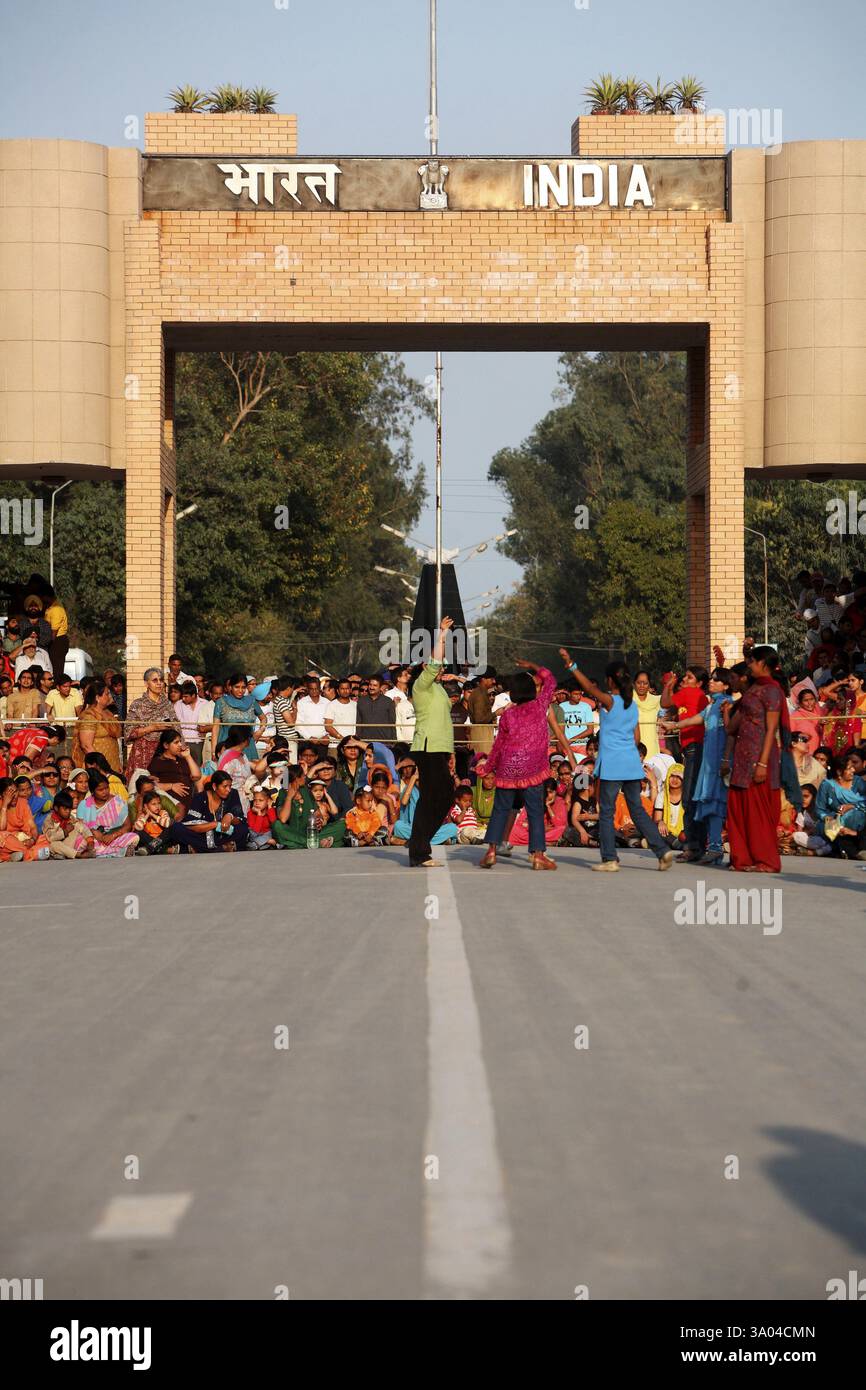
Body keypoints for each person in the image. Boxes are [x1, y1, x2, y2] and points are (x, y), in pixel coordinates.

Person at [561, 648, 676, 872]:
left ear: (611, 680)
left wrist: (572, 666)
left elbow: (589, 688)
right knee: (638, 811)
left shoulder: (611, 701)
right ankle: (662, 852)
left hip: (613, 765)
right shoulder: (631, 705)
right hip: (631, 764)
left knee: (606, 811)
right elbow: (636, 738)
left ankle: (610, 859)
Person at [477, 656, 558, 871]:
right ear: (532, 690)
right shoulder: (541, 706)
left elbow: (498, 746)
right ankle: (538, 855)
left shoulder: (508, 715)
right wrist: (533, 665)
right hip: (533, 768)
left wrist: (487, 767)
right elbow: (551, 681)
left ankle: (491, 850)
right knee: (534, 811)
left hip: (508, 768)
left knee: (501, 809)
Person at [662, 667, 732, 866]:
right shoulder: (710, 706)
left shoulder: (727, 704)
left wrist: (726, 760)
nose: (712, 682)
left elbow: (731, 732)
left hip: (716, 759)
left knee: (703, 801)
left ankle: (703, 847)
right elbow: (696, 719)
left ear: (726, 685)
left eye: (716, 680)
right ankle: (710, 847)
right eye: (711, 679)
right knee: (705, 801)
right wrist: (673, 726)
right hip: (707, 760)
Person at [723, 645, 784, 873]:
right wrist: (727, 714)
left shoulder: (772, 691)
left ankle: (766, 861)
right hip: (742, 757)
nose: (749, 665)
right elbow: (733, 727)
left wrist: (763, 763)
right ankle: (743, 858)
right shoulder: (752, 690)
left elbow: (771, 730)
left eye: (753, 662)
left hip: (759, 758)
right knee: (738, 809)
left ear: (763, 664)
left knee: (756, 812)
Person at [407, 618, 457, 868]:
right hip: (426, 748)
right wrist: (441, 636)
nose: (440, 669)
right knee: (429, 798)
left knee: (447, 796)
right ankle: (419, 851)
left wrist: (451, 753)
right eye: (435, 667)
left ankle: (420, 842)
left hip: (440, 749)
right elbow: (435, 662)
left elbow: (441, 663)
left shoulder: (439, 689)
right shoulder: (420, 687)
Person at [661, 666, 710, 862]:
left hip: (694, 749)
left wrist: (669, 685)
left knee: (689, 797)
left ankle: (692, 845)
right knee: (693, 797)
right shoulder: (699, 696)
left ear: (698, 683)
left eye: (690, 677)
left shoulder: (690, 693)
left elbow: (665, 702)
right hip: (693, 749)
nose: (685, 679)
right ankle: (698, 843)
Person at [170, 770, 250, 853]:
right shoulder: (200, 798)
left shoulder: (233, 794)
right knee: (176, 828)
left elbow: (239, 818)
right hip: (202, 834)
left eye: (230, 786)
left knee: (243, 829)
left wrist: (230, 816)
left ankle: (196, 848)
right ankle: (220, 848)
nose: (228, 790)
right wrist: (214, 824)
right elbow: (190, 825)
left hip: (222, 835)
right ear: (214, 786)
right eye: (225, 786)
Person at [125, 668, 179, 779]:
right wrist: (152, 728)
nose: (159, 683)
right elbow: (129, 732)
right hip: (143, 753)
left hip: (165, 753)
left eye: (161, 680)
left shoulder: (167, 704)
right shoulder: (138, 705)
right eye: (155, 680)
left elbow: (177, 727)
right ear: (146, 683)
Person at [814, 752, 866, 859]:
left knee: (855, 815)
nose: (853, 770)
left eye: (853, 767)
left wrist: (852, 806)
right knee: (826, 828)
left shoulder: (858, 782)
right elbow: (819, 809)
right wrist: (827, 817)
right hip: (834, 822)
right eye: (849, 768)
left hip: (857, 824)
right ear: (839, 771)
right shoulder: (827, 785)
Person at [74, 772, 140, 857]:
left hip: (114, 838)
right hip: (93, 839)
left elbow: (127, 826)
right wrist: (95, 833)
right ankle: (118, 851)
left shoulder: (117, 802)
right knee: (80, 841)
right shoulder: (84, 804)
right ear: (93, 791)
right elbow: (80, 827)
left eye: (106, 788)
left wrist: (113, 836)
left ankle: (99, 853)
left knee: (133, 837)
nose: (105, 792)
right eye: (100, 790)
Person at [149, 729, 206, 817]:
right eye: (176, 743)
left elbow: (196, 776)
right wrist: (171, 786)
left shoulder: (183, 759)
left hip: (188, 805)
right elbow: (150, 786)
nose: (180, 745)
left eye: (180, 741)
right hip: (171, 808)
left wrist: (188, 756)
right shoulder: (157, 762)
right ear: (166, 745)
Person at [71, 680, 123, 774]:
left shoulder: (107, 713)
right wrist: (101, 767)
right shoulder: (89, 716)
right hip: (98, 768)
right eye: (107, 694)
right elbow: (86, 746)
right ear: (97, 697)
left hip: (112, 765)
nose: (110, 697)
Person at [211, 673, 266, 761]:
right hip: (227, 745)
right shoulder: (221, 702)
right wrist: (214, 751)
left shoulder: (251, 701)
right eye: (237, 687)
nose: (240, 690)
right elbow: (216, 727)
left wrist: (260, 731)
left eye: (243, 687)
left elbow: (263, 718)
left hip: (248, 746)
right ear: (230, 687)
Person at [0, 776, 50, 860]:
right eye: (9, 793)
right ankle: (30, 854)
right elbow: (2, 828)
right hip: (8, 840)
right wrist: (4, 805)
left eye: (15, 791)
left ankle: (14, 856)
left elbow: (32, 826)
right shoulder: (1, 804)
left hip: (23, 839)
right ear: (1, 795)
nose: (14, 796)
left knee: (43, 838)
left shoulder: (23, 802)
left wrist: (32, 840)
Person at [510, 777, 568, 848]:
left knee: (561, 829)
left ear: (555, 792)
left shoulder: (560, 802)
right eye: (545, 792)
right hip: (535, 832)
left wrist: (548, 807)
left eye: (550, 792)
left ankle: (535, 842)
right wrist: (541, 828)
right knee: (514, 829)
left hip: (550, 833)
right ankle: (543, 842)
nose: (547, 795)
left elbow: (559, 824)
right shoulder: (535, 800)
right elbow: (520, 822)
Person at [44, 789, 96, 859]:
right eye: (65, 809)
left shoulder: (70, 818)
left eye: (69, 809)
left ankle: (63, 854)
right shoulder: (49, 819)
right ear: (56, 808)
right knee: (53, 845)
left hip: (67, 845)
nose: (68, 811)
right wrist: (65, 831)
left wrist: (90, 842)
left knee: (77, 826)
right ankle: (79, 855)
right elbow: (50, 838)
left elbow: (82, 827)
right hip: (54, 845)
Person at [357, 675, 397, 746]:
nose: (371, 687)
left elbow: (392, 723)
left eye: (375, 685)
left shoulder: (388, 701)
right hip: (366, 742)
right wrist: (359, 740)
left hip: (385, 742)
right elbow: (358, 722)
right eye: (370, 684)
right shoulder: (361, 701)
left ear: (380, 687)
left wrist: (393, 742)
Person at [132, 790, 176, 855]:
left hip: (163, 840)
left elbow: (166, 824)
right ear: (146, 806)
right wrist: (147, 816)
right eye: (154, 804)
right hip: (149, 841)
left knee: (170, 827)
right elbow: (138, 827)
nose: (157, 806)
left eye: (159, 803)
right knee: (137, 832)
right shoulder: (144, 816)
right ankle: (164, 850)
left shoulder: (163, 813)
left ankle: (150, 848)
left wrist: (152, 815)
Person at [633, 670, 662, 758]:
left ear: (649, 684)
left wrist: (669, 686)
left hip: (652, 748)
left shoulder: (656, 700)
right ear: (634, 683)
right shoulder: (627, 700)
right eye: (639, 683)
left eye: (645, 683)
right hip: (633, 749)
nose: (642, 686)